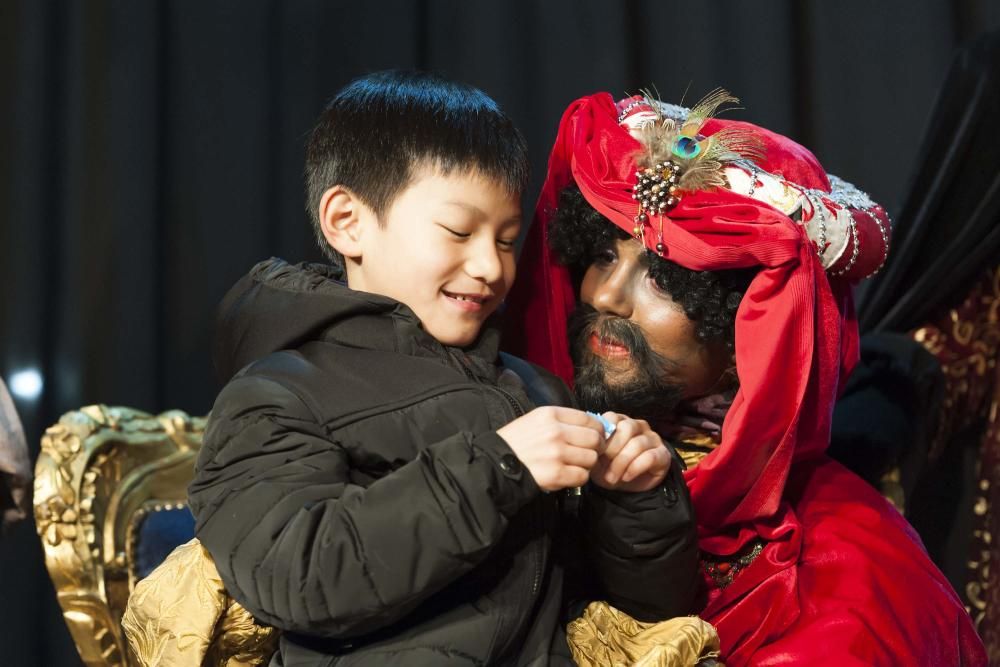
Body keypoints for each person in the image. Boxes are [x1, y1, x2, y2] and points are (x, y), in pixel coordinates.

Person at [182, 71, 704, 666]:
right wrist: (499, 466)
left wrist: (636, 499)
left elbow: (648, 608)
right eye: (459, 232)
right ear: (347, 221)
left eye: (507, 241)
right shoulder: (275, 395)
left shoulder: (535, 390)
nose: (489, 266)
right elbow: (298, 579)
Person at [502, 89, 987, 665]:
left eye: (664, 278)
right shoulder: (530, 441)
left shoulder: (852, 590)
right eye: (604, 256)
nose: (605, 296)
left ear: (751, 330)